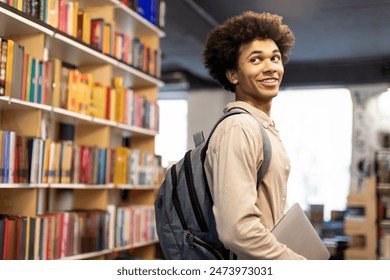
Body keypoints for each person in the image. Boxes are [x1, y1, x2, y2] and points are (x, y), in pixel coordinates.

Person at [202, 11, 306, 260]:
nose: (271, 67)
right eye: (256, 60)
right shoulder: (239, 129)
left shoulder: (261, 127)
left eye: (275, 58)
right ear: (233, 75)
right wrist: (297, 264)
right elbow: (236, 230)